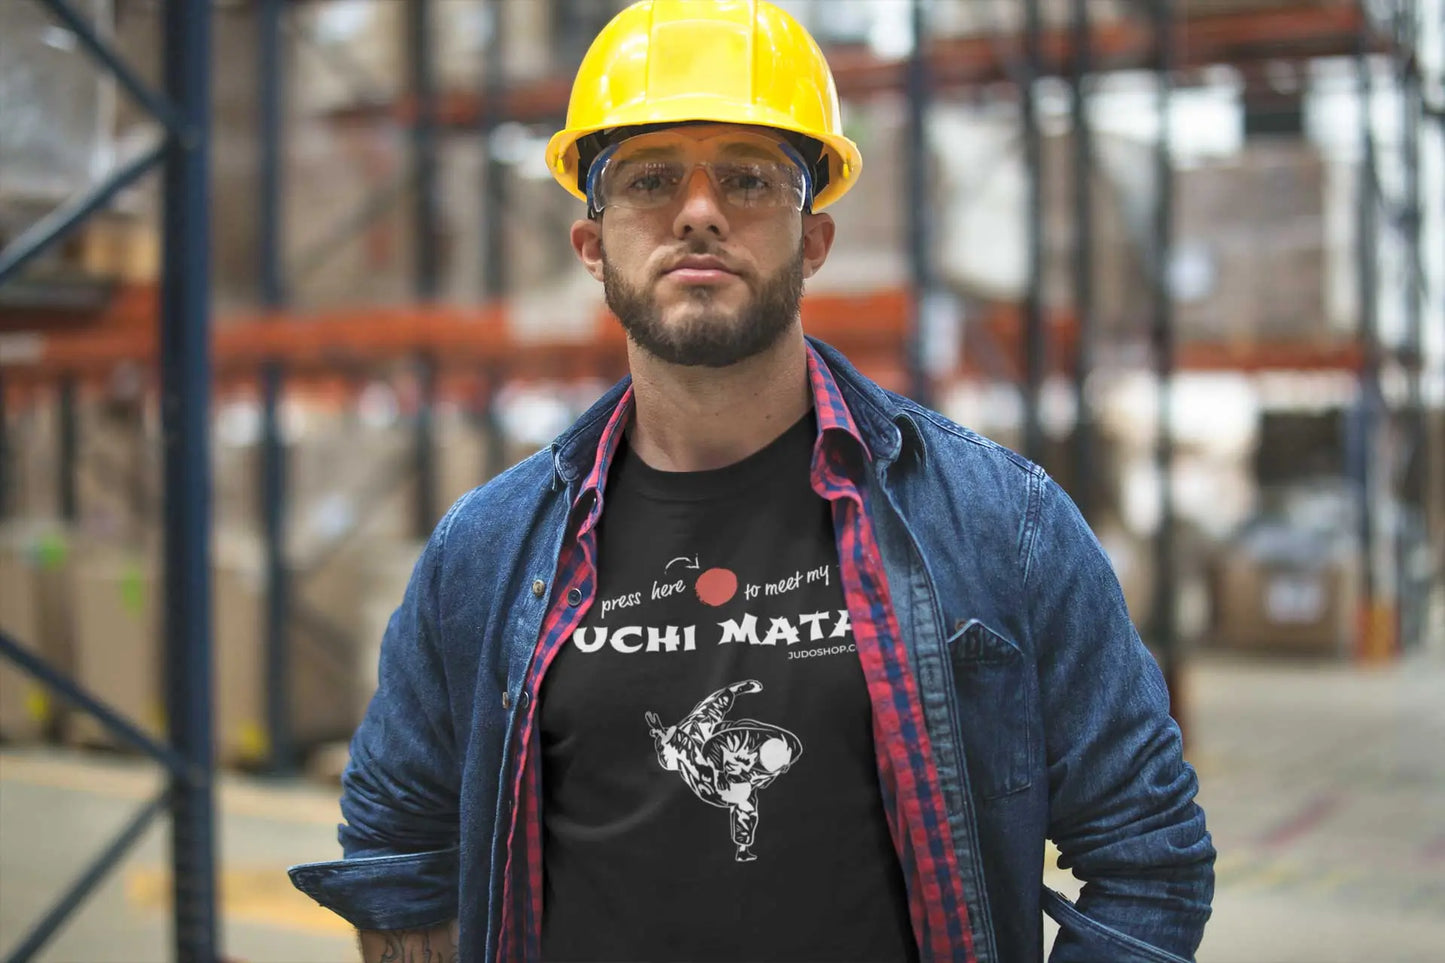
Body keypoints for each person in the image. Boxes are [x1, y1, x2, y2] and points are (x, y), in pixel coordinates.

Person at [288, 2, 1215, 961]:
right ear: (592, 246)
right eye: (649, 180)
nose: (699, 211)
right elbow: (399, 851)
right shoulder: (483, 553)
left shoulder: (998, 522)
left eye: (747, 178)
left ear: (813, 240)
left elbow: (1148, 856)